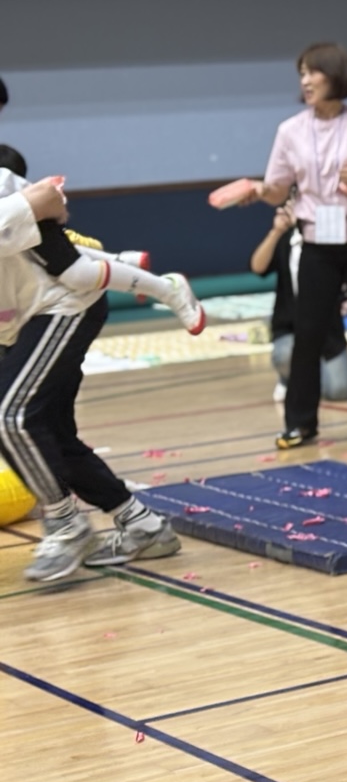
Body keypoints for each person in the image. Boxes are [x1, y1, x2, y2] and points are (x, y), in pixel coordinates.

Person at [0, 178, 180, 582]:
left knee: (11, 417)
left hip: (61, 305)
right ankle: (144, 527)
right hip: (19, 324)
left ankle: (65, 524)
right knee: (49, 432)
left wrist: (41, 209)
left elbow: (49, 197)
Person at [244, 43, 347, 450]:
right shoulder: (289, 130)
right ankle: (300, 422)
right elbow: (277, 190)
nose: (305, 81)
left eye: (313, 72)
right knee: (307, 331)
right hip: (316, 241)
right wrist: (259, 190)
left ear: (336, 74)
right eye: (302, 74)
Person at [0, 147, 205, 333]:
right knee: (61, 262)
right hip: (20, 216)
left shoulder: (11, 193)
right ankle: (122, 261)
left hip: (25, 214)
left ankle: (167, 288)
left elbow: (44, 196)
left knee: (77, 275)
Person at [249, 200, 347, 405]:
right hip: (291, 328)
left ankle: (309, 376)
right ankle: (288, 379)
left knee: (340, 390)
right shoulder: (287, 240)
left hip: (328, 331)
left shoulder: (328, 237)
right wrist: (276, 231)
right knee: (286, 355)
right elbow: (257, 267)